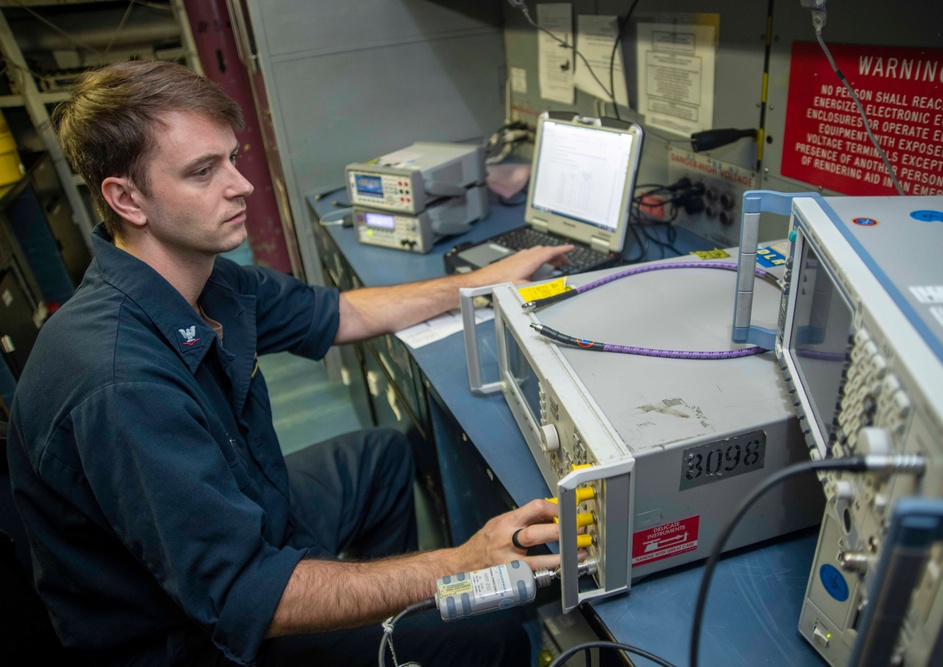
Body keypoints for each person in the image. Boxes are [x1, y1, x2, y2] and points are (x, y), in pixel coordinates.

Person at [6, 59, 575, 666]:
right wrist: (460, 563)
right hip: (188, 638)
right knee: (495, 639)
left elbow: (341, 314)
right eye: (204, 171)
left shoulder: (202, 280)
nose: (242, 184)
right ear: (126, 198)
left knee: (380, 460)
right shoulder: (118, 382)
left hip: (245, 516)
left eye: (231, 157)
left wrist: (487, 279)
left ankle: (388, 630)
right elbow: (246, 596)